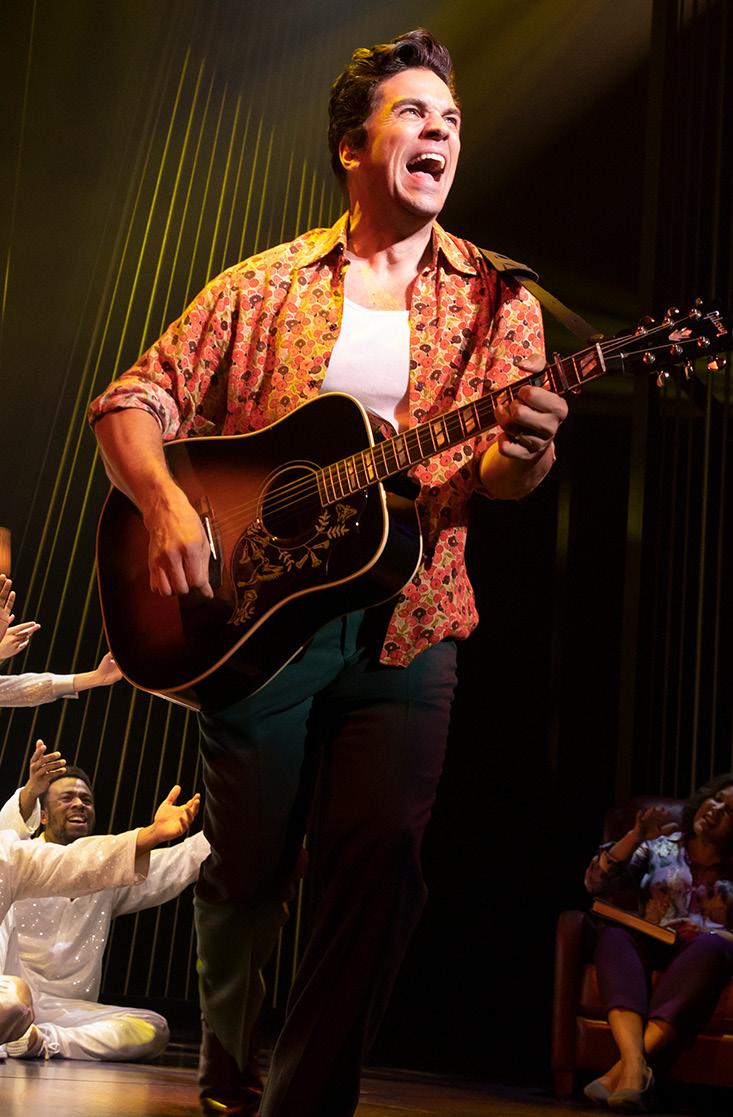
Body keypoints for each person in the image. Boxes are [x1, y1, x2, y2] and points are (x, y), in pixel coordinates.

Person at [88, 29, 568, 1117]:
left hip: (413, 618)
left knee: (380, 858)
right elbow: (130, 401)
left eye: (451, 119)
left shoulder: (501, 303)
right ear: (355, 147)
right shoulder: (262, 286)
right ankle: (229, 1068)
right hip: (254, 620)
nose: (440, 131)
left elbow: (498, 477)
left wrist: (527, 453)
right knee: (247, 868)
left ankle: (303, 1100)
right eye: (414, 113)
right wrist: (166, 502)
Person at [0, 761, 210, 1061]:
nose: (79, 804)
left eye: (86, 800)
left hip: (70, 1012)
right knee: (12, 1001)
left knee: (152, 1028)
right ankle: (15, 1028)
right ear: (42, 815)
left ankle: (39, 1040)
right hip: (11, 993)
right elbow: (6, 845)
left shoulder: (106, 870)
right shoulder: (21, 857)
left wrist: (229, 821)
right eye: (67, 798)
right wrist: (27, 796)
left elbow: (177, 863)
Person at [584, 774, 733, 1112]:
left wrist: (709, 932)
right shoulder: (659, 846)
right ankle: (635, 1066)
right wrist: (635, 837)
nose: (715, 809)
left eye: (730, 811)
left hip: (704, 958)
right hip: (651, 944)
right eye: (716, 799)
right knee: (614, 934)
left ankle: (621, 1073)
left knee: (712, 947)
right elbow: (596, 885)